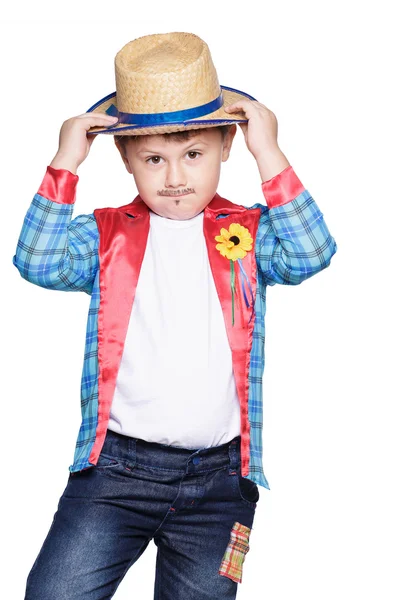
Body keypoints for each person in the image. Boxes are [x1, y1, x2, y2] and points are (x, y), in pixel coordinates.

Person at [13, 31, 338, 600]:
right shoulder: (107, 234)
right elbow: (37, 262)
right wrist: (66, 161)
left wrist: (270, 151)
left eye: (193, 154)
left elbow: (311, 253)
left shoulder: (249, 232)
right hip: (114, 474)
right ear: (126, 159)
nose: (175, 177)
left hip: (219, 486)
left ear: (224, 146)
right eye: (153, 160)